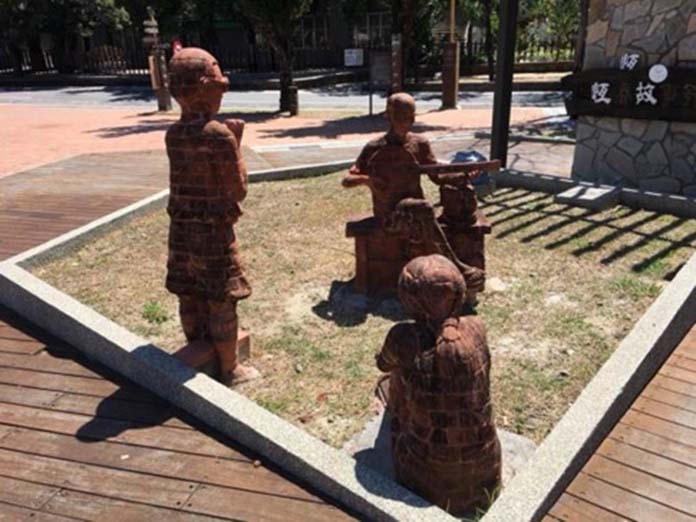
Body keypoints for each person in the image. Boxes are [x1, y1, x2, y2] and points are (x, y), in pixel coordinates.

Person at [376, 255, 501, 516]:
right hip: (486, 469)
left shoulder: (403, 337)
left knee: (396, 376)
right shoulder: (476, 327)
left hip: (423, 474)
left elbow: (383, 364)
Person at [165, 47, 257, 384]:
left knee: (189, 293)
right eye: (220, 85)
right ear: (204, 88)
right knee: (222, 299)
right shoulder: (219, 135)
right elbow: (238, 189)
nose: (222, 92)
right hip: (213, 233)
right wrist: (236, 143)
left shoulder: (174, 135)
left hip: (181, 229)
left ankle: (197, 348)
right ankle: (230, 369)